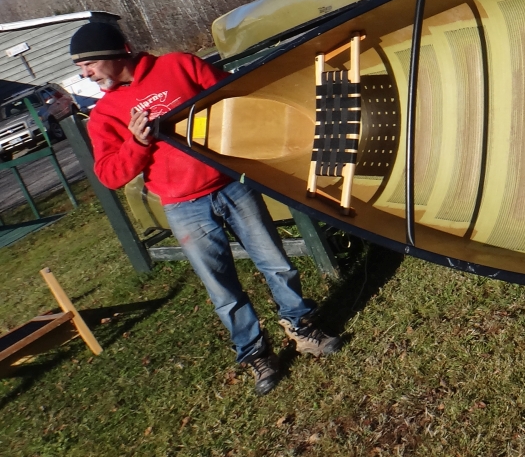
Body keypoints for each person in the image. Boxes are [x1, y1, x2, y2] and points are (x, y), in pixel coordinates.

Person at [69, 21, 341, 395]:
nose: (85, 73)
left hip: (232, 185)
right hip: (183, 208)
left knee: (276, 263)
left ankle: (302, 327)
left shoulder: (178, 66)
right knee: (222, 289)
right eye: (80, 67)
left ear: (120, 52)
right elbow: (109, 174)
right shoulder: (104, 115)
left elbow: (235, 99)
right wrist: (136, 143)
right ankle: (256, 353)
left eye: (89, 63)